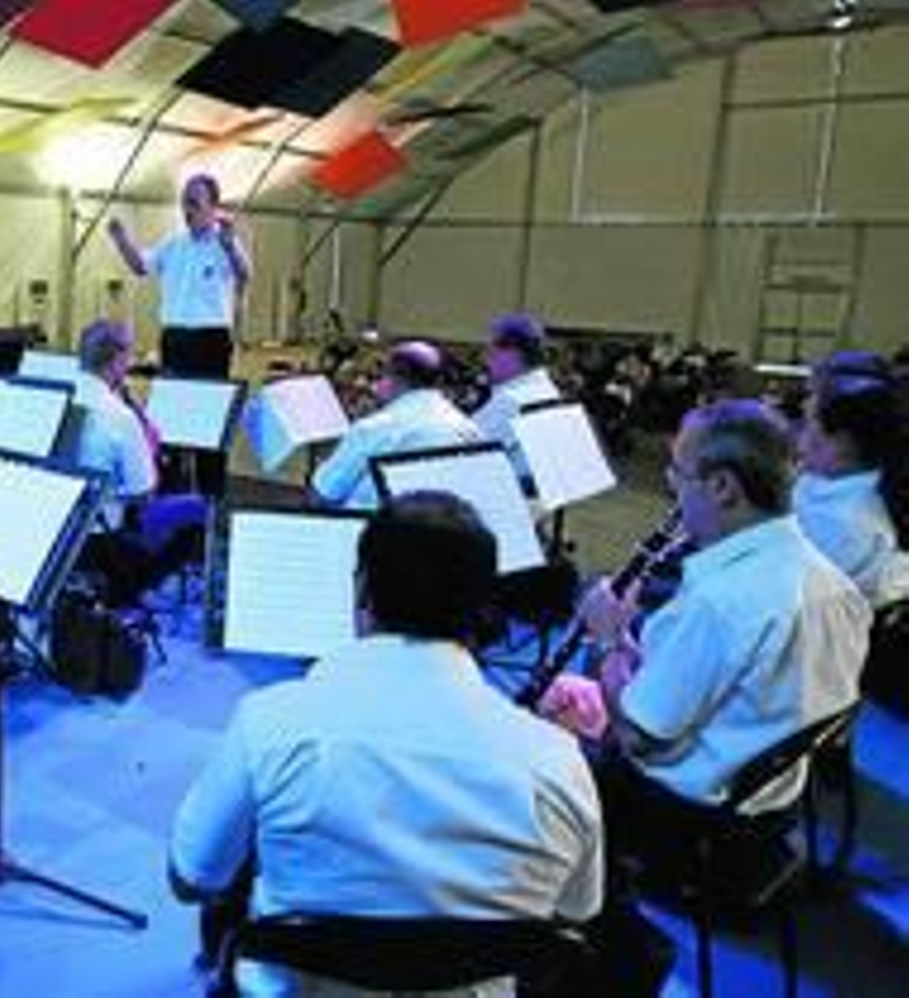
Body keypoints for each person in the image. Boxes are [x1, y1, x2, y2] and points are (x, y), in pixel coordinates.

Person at [171, 492, 602, 997]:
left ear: (361, 593)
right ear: (483, 610)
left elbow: (192, 879)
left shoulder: (270, 722)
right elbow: (577, 910)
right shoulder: (557, 760)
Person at [538, 399, 871, 993]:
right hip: (770, 806)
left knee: (535, 762)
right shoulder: (832, 583)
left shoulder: (720, 603)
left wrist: (611, 637)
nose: (671, 486)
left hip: (688, 826)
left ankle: (601, 947)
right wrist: (627, 668)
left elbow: (642, 735)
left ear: (722, 488)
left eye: (678, 473)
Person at [108, 173, 250, 495]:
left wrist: (229, 245)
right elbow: (140, 266)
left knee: (209, 428)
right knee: (170, 423)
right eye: (184, 202)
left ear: (214, 207)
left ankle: (211, 499)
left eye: (194, 203)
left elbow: (244, 275)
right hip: (175, 340)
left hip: (211, 341)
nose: (187, 210)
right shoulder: (173, 243)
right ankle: (171, 497)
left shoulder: (224, 243)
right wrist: (120, 239)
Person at [63, 319, 203, 607]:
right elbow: (143, 492)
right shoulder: (118, 415)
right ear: (117, 359)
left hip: (56, 528)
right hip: (99, 538)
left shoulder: (58, 395)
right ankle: (128, 593)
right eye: (128, 356)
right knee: (199, 508)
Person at [793, 350, 909, 610]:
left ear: (842, 443)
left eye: (808, 421)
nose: (799, 433)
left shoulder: (844, 528)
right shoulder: (827, 479)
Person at [310, 340, 483, 510]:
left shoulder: (376, 427)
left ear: (391, 378)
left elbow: (323, 495)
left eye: (379, 376)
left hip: (372, 531)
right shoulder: (469, 429)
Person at [472, 312, 562, 482]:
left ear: (514, 354)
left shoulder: (513, 400)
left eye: (492, 349)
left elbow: (463, 450)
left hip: (507, 496)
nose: (485, 358)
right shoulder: (547, 389)